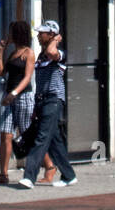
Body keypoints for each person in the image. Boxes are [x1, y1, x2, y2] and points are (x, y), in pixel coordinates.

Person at [0, 20, 54, 184]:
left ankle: (49, 166)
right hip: (8, 97)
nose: (9, 35)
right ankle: (3, 174)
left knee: (27, 135)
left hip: (22, 97)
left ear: (18, 34)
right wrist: (1, 51)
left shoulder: (29, 53)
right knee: (5, 134)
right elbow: (1, 72)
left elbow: (27, 78)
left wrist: (14, 93)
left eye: (12, 32)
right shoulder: (13, 54)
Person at [19, 20, 78, 189]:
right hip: (42, 101)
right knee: (54, 141)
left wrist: (55, 40)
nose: (38, 36)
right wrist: (36, 107)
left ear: (51, 34)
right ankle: (69, 175)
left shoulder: (59, 53)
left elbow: (53, 51)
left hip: (53, 100)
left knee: (41, 138)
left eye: (42, 33)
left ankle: (29, 177)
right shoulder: (40, 56)